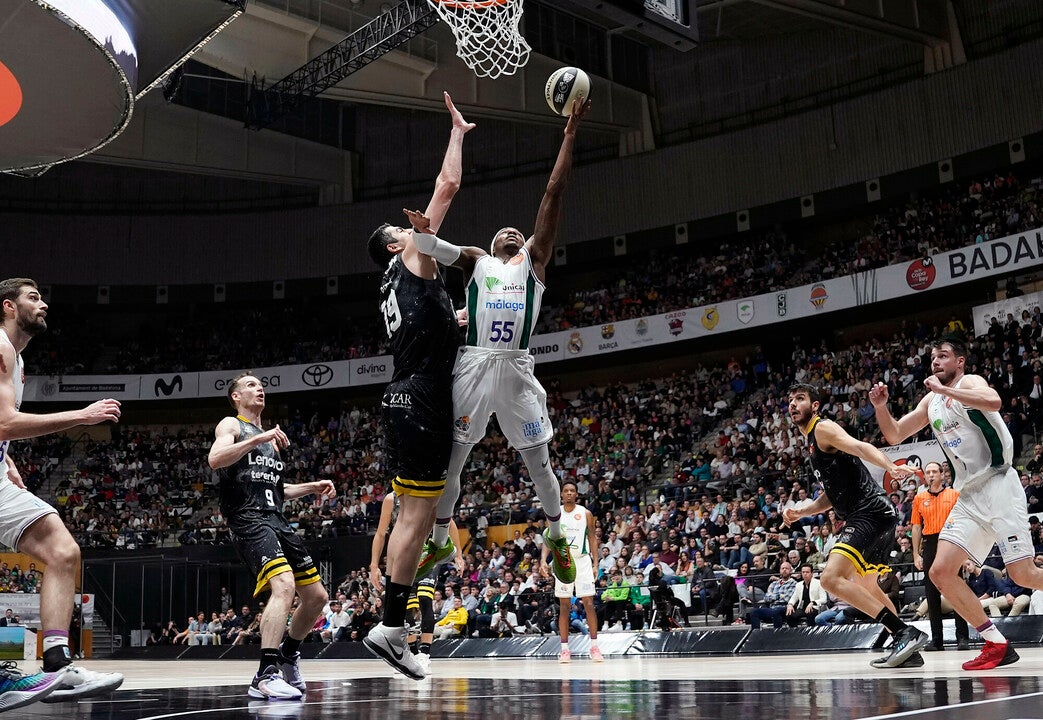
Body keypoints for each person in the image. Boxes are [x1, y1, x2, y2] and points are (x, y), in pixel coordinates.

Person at [412, 97, 592, 587]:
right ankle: (441, 537)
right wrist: (422, 234)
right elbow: (434, 248)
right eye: (503, 231)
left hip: (515, 367)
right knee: (455, 458)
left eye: (519, 230)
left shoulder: (534, 263)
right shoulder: (477, 261)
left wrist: (570, 134)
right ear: (492, 245)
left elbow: (554, 193)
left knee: (539, 462)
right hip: (473, 365)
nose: (512, 231)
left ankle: (555, 534)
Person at [362, 94, 474, 682]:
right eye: (404, 235)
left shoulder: (396, 284)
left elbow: (431, 327)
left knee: (419, 514)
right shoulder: (413, 259)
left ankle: (393, 624)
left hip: (407, 390)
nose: (415, 237)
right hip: (425, 396)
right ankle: (391, 627)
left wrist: (457, 323)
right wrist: (456, 133)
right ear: (395, 245)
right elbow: (447, 186)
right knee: (417, 517)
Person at [871, 335, 1043, 670]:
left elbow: (993, 401)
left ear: (959, 362)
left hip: (999, 484)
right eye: (933, 357)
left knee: (1023, 574)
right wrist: (881, 407)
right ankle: (997, 644)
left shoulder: (970, 382)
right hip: (968, 493)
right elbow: (894, 434)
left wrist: (947, 390)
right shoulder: (930, 402)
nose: (936, 362)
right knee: (940, 571)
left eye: (944, 356)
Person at [0, 278, 125, 709]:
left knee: (62, 552)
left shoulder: (17, 359)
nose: (44, 303)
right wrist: (82, 416)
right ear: (9, 307)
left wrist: (7, 457)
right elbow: (3, 421)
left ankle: (56, 665)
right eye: (33, 297)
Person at [208, 372, 335, 700]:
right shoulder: (232, 425)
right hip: (248, 519)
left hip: (276, 519)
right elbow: (215, 459)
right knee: (284, 586)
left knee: (317, 597)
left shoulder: (269, 441)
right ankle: (265, 674)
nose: (258, 388)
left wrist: (312, 487)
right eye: (249, 385)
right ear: (236, 397)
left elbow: (279, 490)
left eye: (260, 384)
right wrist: (255, 440)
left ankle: (289, 654)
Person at [782, 383, 927, 669]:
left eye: (800, 398)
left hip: (869, 513)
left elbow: (861, 447)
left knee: (830, 579)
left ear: (814, 406)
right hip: (873, 513)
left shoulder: (822, 428)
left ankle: (903, 632)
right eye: (790, 399)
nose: (793, 403)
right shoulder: (813, 443)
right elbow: (831, 496)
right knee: (867, 588)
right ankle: (908, 649)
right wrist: (802, 513)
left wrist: (890, 466)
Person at [369, 490, 463, 674]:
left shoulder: (429, 492)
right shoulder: (391, 498)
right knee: (406, 608)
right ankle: (410, 654)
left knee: (425, 599)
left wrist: (458, 555)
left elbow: (449, 522)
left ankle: (425, 654)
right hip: (404, 554)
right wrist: (374, 565)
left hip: (429, 552)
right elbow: (380, 534)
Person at [909, 460, 969, 651]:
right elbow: (916, 527)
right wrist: (915, 554)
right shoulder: (919, 498)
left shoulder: (954, 495)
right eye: (928, 472)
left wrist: (965, 551)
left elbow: (963, 523)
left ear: (943, 475)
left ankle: (962, 637)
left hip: (950, 542)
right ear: (925, 476)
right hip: (930, 543)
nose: (932, 474)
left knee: (956, 589)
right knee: (931, 593)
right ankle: (937, 640)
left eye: (935, 471)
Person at [541, 479, 602, 663]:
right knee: (565, 606)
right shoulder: (554, 514)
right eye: (566, 490)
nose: (568, 493)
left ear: (576, 494)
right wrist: (543, 560)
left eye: (572, 491)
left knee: (589, 603)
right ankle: (565, 650)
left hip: (583, 560)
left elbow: (592, 538)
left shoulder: (586, 513)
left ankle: (594, 647)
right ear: (561, 494)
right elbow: (548, 539)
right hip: (563, 561)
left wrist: (595, 563)